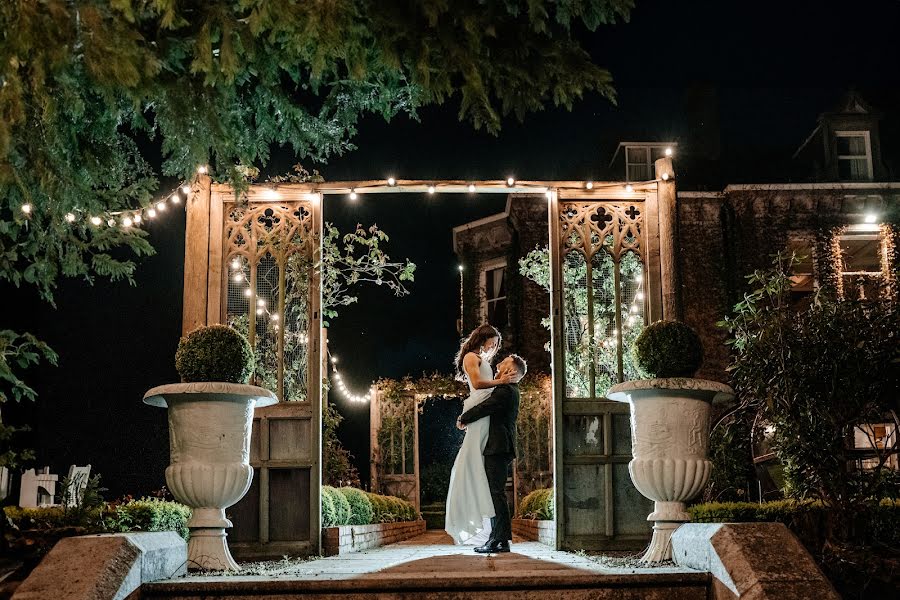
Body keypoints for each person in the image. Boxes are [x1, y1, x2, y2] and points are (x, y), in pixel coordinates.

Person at [444, 324, 515, 545]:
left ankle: (495, 533)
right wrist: (500, 381)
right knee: (473, 459)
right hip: (479, 409)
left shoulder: (483, 360)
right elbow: (476, 383)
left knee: (487, 472)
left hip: (486, 414)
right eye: (492, 342)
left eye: (496, 344)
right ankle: (490, 530)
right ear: (483, 338)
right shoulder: (471, 357)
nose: (494, 347)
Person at [457, 353, 526, 554]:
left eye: (505, 361)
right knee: (495, 492)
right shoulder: (507, 388)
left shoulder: (505, 390)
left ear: (510, 369)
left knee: (495, 493)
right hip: (500, 446)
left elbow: (486, 407)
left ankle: (499, 540)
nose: (500, 362)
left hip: (498, 447)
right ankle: (498, 538)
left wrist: (464, 417)